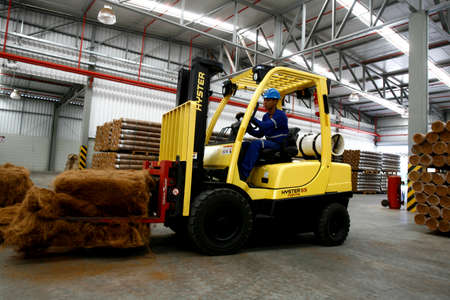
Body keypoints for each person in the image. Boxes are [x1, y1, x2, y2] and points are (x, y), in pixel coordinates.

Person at [238, 88, 288, 181]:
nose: (264, 103)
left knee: (256, 143)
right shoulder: (266, 116)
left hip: (278, 145)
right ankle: (235, 170)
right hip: (269, 143)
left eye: (268, 100)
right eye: (264, 100)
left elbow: (264, 126)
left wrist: (250, 117)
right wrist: (248, 128)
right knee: (245, 144)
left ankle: (243, 176)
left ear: (275, 101)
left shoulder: (280, 115)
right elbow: (259, 134)